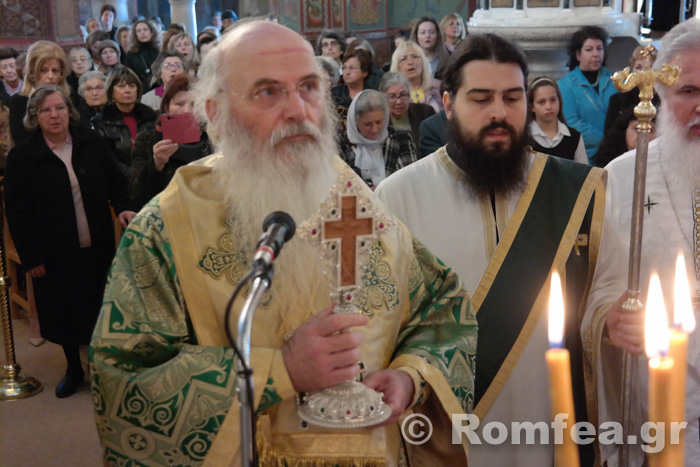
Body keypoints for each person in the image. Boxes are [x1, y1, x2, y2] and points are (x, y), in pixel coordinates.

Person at [91, 19, 477, 466]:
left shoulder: (355, 200)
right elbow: (123, 382)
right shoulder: (166, 228)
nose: (298, 110)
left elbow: (441, 306)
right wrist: (277, 371)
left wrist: (410, 377)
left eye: (309, 87)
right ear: (215, 112)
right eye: (268, 92)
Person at [376, 33, 606, 467]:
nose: (499, 113)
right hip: (446, 434)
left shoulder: (574, 190)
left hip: (550, 423)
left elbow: (599, 306)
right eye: (480, 99)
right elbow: (385, 329)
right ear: (448, 102)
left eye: (512, 98)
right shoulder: (398, 197)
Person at [583, 19, 700, 466]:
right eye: (688, 91)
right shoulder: (620, 178)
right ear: (663, 92)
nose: (699, 106)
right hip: (649, 398)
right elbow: (592, 287)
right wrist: (608, 319)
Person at [4, 84, 136, 399]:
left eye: (60, 108)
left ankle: (103, 367)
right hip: (54, 250)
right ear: (34, 117)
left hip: (98, 241)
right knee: (64, 309)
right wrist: (31, 257)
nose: (54, 115)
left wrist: (124, 207)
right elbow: (17, 212)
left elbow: (116, 181)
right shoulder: (24, 156)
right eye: (46, 110)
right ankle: (73, 368)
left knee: (99, 304)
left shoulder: (90, 141)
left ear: (69, 111)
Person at [130, 74, 213, 207]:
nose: (187, 111)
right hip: (164, 213)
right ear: (167, 106)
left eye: (194, 105)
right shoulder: (147, 140)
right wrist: (157, 163)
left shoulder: (212, 139)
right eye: (179, 104)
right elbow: (136, 193)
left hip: (204, 212)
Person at [558, 25, 618, 163]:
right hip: (585, 156)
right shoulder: (565, 86)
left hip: (616, 153)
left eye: (599, 48)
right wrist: (605, 142)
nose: (596, 54)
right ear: (578, 54)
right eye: (589, 49)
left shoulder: (616, 81)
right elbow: (572, 123)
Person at [340, 89, 417, 188]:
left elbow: (411, 177)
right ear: (355, 122)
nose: (374, 129)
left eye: (378, 122)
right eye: (367, 124)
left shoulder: (402, 137)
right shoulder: (342, 144)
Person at [91, 66, 157, 175]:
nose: (128, 90)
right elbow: (107, 158)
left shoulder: (151, 116)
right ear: (111, 92)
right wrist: (133, 176)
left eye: (132, 86)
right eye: (121, 86)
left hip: (151, 176)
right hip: (119, 180)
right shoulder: (100, 122)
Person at [8, 41, 69, 145]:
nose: (50, 76)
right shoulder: (19, 102)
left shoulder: (70, 98)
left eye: (55, 71)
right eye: (43, 70)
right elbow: (22, 143)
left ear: (61, 74)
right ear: (32, 73)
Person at [527, 76, 587, 164]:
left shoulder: (574, 138)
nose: (549, 106)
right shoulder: (523, 138)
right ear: (532, 106)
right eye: (541, 102)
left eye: (553, 100)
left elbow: (584, 174)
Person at [603, 45, 660, 135]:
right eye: (638, 67)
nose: (643, 72)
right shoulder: (618, 100)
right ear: (632, 70)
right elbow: (610, 136)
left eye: (650, 67)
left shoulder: (666, 100)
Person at [379, 72, 435, 158]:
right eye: (392, 96)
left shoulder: (426, 112)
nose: (399, 102)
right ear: (383, 97)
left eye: (403, 95)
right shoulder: (378, 121)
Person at [390, 41, 442, 112]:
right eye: (403, 59)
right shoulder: (393, 94)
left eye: (414, 56)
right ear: (397, 66)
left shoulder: (439, 87)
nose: (410, 62)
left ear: (423, 61)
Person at [124, 19, 161, 91]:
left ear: (152, 32)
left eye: (145, 29)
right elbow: (130, 77)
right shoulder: (131, 55)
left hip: (160, 89)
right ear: (135, 35)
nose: (142, 33)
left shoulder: (159, 51)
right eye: (139, 31)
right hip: (141, 90)